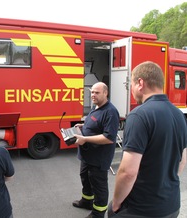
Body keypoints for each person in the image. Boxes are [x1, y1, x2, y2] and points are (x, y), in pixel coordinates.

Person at [108, 61, 187, 218]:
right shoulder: (179, 115)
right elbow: (181, 160)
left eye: (130, 85)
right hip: (171, 206)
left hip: (141, 209)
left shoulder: (139, 115)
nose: (131, 91)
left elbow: (128, 172)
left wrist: (116, 203)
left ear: (140, 83)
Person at [73, 82, 120, 218]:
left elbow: (108, 138)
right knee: (85, 179)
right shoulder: (97, 107)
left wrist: (85, 139)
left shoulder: (110, 112)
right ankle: (86, 201)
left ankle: (98, 212)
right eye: (92, 92)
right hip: (87, 155)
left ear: (106, 93)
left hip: (98, 158)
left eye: (97, 92)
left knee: (99, 185)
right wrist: (83, 126)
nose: (93, 95)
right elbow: (95, 124)